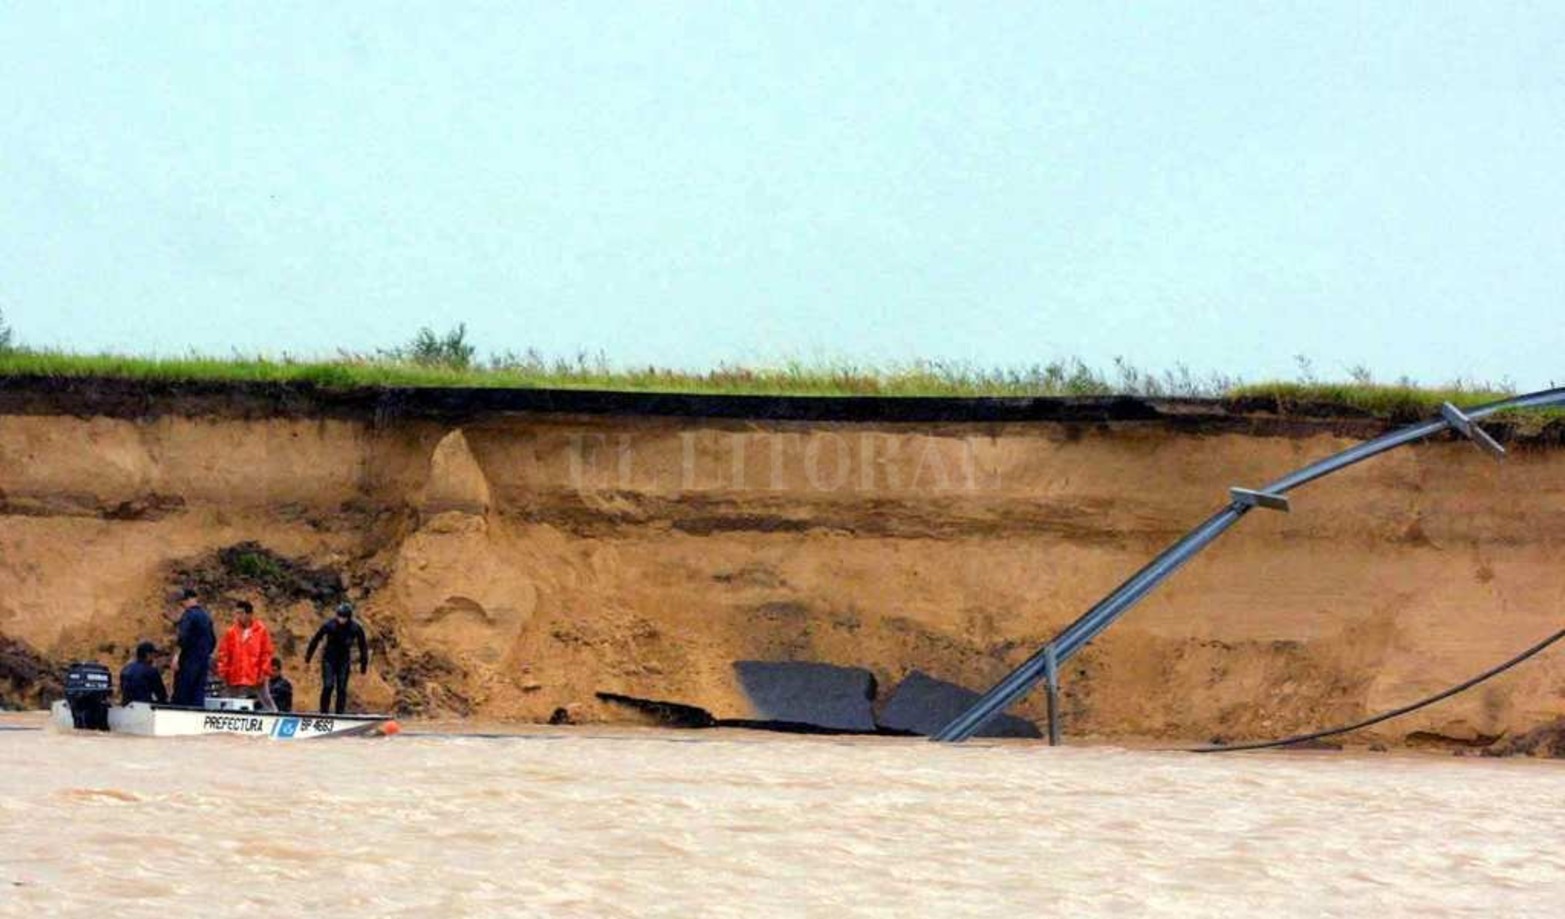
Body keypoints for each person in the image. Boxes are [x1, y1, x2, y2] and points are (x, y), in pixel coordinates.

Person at [305, 602, 369, 714]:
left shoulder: (355, 628)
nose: (341, 619)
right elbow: (316, 639)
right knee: (328, 685)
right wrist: (308, 657)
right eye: (339, 616)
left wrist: (363, 665)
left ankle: (339, 713)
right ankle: (323, 712)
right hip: (329, 660)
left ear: (348, 617)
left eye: (343, 617)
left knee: (342, 688)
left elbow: (363, 646)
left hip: (343, 661)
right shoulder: (329, 625)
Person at [216, 600, 277, 712]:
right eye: (237, 613)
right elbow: (224, 654)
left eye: (241, 613)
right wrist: (223, 672)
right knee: (233, 700)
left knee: (265, 698)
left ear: (249, 614)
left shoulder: (261, 631)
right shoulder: (231, 632)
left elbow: (266, 652)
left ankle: (275, 716)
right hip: (236, 673)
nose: (238, 616)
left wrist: (264, 672)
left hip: (256, 672)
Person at [164, 587, 216, 707]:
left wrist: (177, 656)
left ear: (186, 600)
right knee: (198, 692)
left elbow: (183, 636)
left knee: (183, 690)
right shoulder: (206, 616)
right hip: (203, 660)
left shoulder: (189, 615)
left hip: (188, 660)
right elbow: (213, 640)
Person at [119, 641, 168, 705]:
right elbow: (161, 695)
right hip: (143, 707)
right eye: (153, 655)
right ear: (148, 655)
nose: (154, 658)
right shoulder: (151, 671)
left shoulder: (125, 669)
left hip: (127, 707)